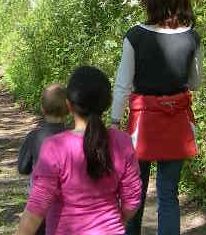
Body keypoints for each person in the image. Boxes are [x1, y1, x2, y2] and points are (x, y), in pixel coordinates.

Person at [110, 0, 202, 235]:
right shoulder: (192, 37)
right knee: (168, 195)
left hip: (142, 126)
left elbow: (123, 84)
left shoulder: (135, 36)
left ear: (152, 0)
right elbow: (195, 82)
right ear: (183, 0)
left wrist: (115, 121)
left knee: (134, 193)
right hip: (177, 124)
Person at [16, 66, 142, 235]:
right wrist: (117, 222)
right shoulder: (123, 142)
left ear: (69, 104)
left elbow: (37, 207)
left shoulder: (55, 147)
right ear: (107, 103)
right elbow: (131, 202)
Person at [17, 83, 68, 235]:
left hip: (39, 204)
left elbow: (23, 168)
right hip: (66, 205)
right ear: (68, 108)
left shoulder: (34, 137)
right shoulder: (73, 138)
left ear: (42, 108)